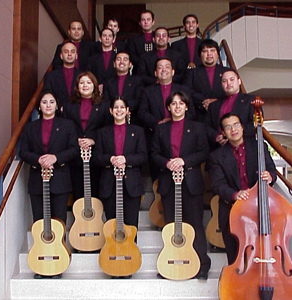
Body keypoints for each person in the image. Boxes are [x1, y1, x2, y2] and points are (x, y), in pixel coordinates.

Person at [151, 91, 211, 279]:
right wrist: (167, 163)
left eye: (181, 103)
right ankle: (171, 263)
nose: (177, 106)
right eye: (173, 104)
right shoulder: (160, 129)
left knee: (195, 225)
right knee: (171, 224)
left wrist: (184, 161)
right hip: (169, 182)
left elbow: (204, 152)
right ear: (168, 107)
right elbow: (153, 154)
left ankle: (201, 265)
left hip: (191, 181)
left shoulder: (198, 127)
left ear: (186, 106)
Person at [208, 113, 277, 265]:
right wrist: (235, 194)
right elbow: (217, 184)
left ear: (242, 127)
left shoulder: (259, 147)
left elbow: (272, 170)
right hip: (232, 210)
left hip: (259, 208)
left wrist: (270, 176)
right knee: (235, 258)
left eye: (236, 124)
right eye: (228, 127)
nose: (234, 129)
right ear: (223, 133)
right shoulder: (216, 156)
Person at [19, 91, 79, 225]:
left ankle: (59, 247)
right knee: (39, 222)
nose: (48, 105)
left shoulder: (67, 125)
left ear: (57, 106)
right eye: (44, 102)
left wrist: (55, 158)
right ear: (39, 106)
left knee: (59, 222)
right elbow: (23, 152)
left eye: (52, 102)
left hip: (60, 180)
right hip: (37, 180)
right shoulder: (30, 127)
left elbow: (74, 149)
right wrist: (39, 160)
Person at [94, 97, 147, 229]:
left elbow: (143, 156)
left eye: (122, 107)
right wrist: (110, 159)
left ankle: (131, 250)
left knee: (131, 225)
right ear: (111, 111)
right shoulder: (102, 132)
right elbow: (96, 157)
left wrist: (126, 159)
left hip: (131, 184)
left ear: (127, 110)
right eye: (116, 107)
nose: (119, 110)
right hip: (109, 183)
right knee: (111, 224)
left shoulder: (137, 131)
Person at [138, 58, 194, 181]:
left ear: (173, 72)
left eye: (167, 67)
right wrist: (158, 123)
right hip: (155, 137)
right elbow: (142, 112)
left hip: (182, 139)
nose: (164, 70)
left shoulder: (184, 90)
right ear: (155, 73)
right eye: (160, 67)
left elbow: (191, 112)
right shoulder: (147, 91)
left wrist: (174, 120)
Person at [63, 71, 112, 200]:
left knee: (96, 192)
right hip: (76, 153)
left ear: (94, 85)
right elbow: (65, 128)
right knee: (78, 191)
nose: (85, 85)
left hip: (96, 153)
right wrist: (76, 140)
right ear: (77, 86)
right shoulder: (69, 105)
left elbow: (107, 129)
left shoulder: (104, 105)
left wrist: (93, 140)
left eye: (88, 82)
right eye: (82, 82)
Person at [205, 69, 256, 150]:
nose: (228, 83)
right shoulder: (214, 105)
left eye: (232, 80)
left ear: (239, 81)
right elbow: (206, 127)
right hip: (219, 150)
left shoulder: (251, 101)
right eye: (224, 81)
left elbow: (253, 125)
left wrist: (232, 136)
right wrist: (217, 137)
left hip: (244, 148)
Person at [184, 38, 229, 122]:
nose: (209, 54)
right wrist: (204, 101)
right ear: (200, 55)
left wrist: (216, 102)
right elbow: (187, 91)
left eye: (212, 50)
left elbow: (233, 93)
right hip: (200, 117)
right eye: (205, 51)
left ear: (218, 54)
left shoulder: (227, 72)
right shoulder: (192, 72)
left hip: (223, 116)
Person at [103, 51, 144, 125]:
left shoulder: (137, 81)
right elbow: (106, 101)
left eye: (125, 59)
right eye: (118, 59)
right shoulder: (108, 82)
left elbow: (139, 100)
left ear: (130, 64)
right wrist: (116, 110)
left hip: (132, 119)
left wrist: (123, 109)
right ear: (114, 64)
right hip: (111, 120)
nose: (122, 62)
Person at [43, 41, 82, 106]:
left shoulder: (83, 76)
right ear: (61, 56)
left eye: (72, 52)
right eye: (66, 52)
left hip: (78, 114)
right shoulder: (50, 76)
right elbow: (47, 97)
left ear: (76, 56)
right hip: (58, 113)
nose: (69, 54)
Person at [88, 27, 117, 95]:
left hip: (114, 92)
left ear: (113, 39)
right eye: (104, 36)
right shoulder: (92, 59)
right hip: (97, 93)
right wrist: (96, 86)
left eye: (110, 36)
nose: (107, 38)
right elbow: (89, 75)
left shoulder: (118, 58)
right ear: (100, 39)